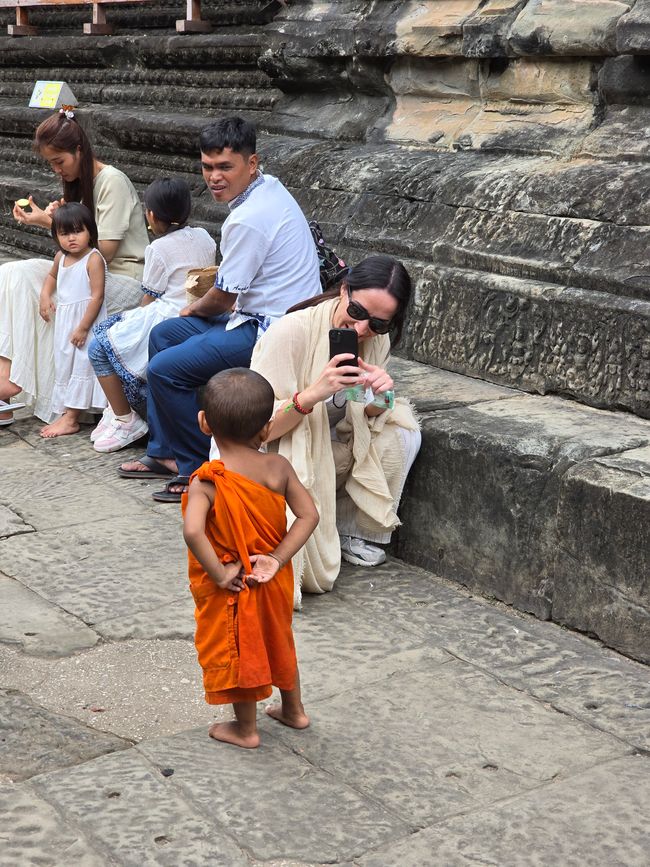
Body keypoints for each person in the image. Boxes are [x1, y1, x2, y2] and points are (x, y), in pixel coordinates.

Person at [118, 115, 321, 502]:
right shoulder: (266, 188)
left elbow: (223, 297)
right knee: (162, 335)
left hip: (272, 329)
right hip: (252, 314)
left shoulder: (249, 219)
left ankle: (201, 469)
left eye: (225, 167)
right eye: (208, 167)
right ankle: (165, 453)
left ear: (252, 163)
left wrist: (192, 310)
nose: (214, 177)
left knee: (164, 370)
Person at [250, 255, 422, 607]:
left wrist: (382, 395)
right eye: (357, 312)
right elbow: (257, 431)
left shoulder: (375, 341)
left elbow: (362, 413)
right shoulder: (293, 332)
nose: (361, 330)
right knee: (308, 573)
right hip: (277, 451)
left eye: (377, 323)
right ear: (343, 290)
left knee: (403, 430)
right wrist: (313, 393)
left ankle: (350, 530)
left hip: (330, 443)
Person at [182, 368, 319, 749]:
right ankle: (294, 711)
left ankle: (246, 729)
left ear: (204, 423)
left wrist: (222, 574)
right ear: (265, 430)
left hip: (237, 581)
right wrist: (276, 559)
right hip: (273, 577)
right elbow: (309, 516)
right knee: (279, 638)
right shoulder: (278, 467)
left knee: (240, 647)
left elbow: (193, 531)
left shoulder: (207, 480)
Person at [0, 108, 148, 424]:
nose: (56, 170)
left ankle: (30, 387)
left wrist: (51, 220)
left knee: (50, 296)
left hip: (121, 277)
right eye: (51, 163)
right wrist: (57, 220)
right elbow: (75, 248)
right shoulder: (81, 184)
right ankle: (7, 380)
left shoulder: (111, 181)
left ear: (78, 150)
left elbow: (102, 252)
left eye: (59, 162)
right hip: (88, 273)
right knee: (11, 273)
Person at [88, 178, 216, 452]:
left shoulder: (157, 249)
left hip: (168, 313)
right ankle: (116, 413)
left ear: (152, 215)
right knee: (113, 337)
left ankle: (125, 418)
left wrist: (132, 319)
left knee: (100, 346)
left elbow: (150, 295)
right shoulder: (205, 237)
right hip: (200, 310)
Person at [38, 203, 107, 437]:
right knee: (66, 366)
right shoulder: (60, 257)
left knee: (82, 365)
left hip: (86, 323)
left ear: (90, 231)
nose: (71, 238)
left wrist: (83, 328)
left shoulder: (93, 259)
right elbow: (51, 275)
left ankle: (71, 419)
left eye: (77, 231)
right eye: (64, 233)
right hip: (66, 322)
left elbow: (97, 296)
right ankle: (68, 414)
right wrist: (45, 296)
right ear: (56, 235)